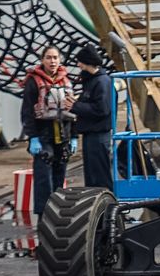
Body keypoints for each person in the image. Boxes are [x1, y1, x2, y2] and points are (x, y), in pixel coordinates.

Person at [20, 46, 77, 217]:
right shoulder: (33, 81)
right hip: (44, 136)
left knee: (60, 176)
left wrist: (74, 136)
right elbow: (27, 111)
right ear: (42, 60)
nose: (52, 61)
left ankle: (59, 212)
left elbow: (73, 110)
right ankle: (44, 214)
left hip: (63, 135)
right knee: (44, 178)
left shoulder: (66, 81)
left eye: (55, 58)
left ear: (60, 60)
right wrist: (33, 137)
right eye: (48, 58)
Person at [70, 44, 115, 191]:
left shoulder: (102, 82)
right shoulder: (92, 82)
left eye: (80, 62)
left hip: (99, 135)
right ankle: (96, 204)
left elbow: (101, 109)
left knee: (100, 175)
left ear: (87, 62)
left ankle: (107, 206)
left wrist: (75, 106)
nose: (79, 65)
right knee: (91, 175)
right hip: (91, 135)